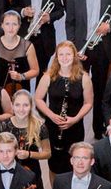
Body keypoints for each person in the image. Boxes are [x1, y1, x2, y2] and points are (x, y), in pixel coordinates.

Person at [65, 0, 111, 136]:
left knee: (100, 89)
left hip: (101, 47)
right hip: (81, 48)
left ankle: (98, 128)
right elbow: (70, 23)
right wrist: (74, 49)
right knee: (77, 89)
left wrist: (109, 26)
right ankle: (76, 129)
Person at [34, 40, 92, 176]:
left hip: (75, 127)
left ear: (74, 56)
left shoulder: (84, 78)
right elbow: (38, 99)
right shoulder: (48, 76)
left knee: (74, 163)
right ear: (56, 57)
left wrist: (75, 119)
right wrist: (51, 115)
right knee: (54, 166)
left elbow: (88, 103)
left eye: (68, 54)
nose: (65, 58)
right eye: (61, 54)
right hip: (53, 126)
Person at [0, 91, 51, 189]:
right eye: (18, 105)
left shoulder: (39, 126)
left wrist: (29, 154)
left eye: (25, 105)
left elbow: (47, 153)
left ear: (31, 106)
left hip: (32, 175)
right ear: (12, 106)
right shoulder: (4, 126)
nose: (21, 109)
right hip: (9, 174)